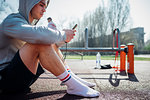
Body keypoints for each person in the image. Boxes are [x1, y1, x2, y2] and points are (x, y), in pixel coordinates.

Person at [0, 0, 100, 97]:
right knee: (40, 42)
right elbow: (41, 35)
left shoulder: (27, 24)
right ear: (29, 3)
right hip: (6, 81)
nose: (44, 10)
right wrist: (63, 34)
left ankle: (72, 78)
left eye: (45, 7)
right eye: (41, 5)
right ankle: (73, 85)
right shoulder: (11, 21)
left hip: (20, 76)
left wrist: (63, 40)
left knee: (49, 42)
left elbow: (49, 42)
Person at [47, 17, 97, 87]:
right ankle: (70, 80)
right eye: (41, 5)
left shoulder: (51, 24)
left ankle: (71, 77)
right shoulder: (49, 25)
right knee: (49, 45)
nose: (44, 10)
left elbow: (53, 41)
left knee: (54, 46)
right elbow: (47, 38)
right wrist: (62, 35)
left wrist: (65, 39)